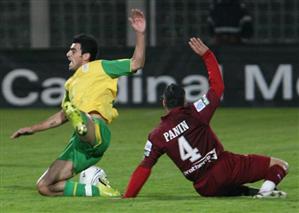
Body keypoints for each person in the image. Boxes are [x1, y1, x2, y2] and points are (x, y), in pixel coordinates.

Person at [123, 37, 288, 199]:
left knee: (238, 190)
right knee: (280, 165)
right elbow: (218, 87)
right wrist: (207, 55)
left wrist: (128, 197)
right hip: (225, 168)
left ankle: (256, 193)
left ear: (164, 102)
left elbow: (144, 167)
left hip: (205, 187)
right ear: (185, 101)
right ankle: (266, 192)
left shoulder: (156, 136)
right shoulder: (196, 111)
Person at [10, 8, 146, 197]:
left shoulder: (101, 67)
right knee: (44, 186)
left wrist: (140, 33)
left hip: (97, 130)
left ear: (86, 56)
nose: (68, 54)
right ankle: (99, 191)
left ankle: (81, 122)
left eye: (73, 50)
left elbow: (136, 63)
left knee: (78, 113)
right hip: (80, 145)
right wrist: (32, 128)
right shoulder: (70, 84)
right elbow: (59, 117)